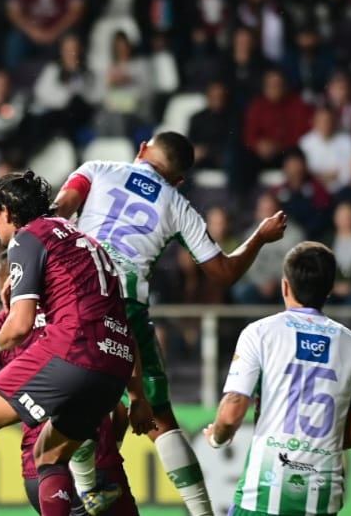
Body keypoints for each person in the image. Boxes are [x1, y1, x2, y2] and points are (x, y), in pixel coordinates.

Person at [53, 132, 289, 516]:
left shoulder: (96, 169)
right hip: (125, 307)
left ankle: (87, 488)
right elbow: (225, 272)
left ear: (142, 149)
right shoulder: (178, 205)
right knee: (159, 418)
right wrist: (259, 237)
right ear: (178, 179)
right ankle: (202, 513)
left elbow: (59, 210)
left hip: (73, 297)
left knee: (69, 396)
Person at [0, 171, 145, 516]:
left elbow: (20, 326)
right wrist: (138, 395)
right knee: (49, 454)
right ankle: (87, 489)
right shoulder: (85, 240)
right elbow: (121, 319)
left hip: (74, 349)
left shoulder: (28, 238)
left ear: (6, 211)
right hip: (115, 366)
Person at [0, 251, 139, 515]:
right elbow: (119, 409)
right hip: (101, 465)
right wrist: (131, 412)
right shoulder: (76, 313)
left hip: (39, 473)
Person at [203, 242, 351, 516]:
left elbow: (232, 413)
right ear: (329, 290)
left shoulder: (259, 333)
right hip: (322, 497)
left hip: (264, 492)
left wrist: (217, 437)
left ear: (284, 287)